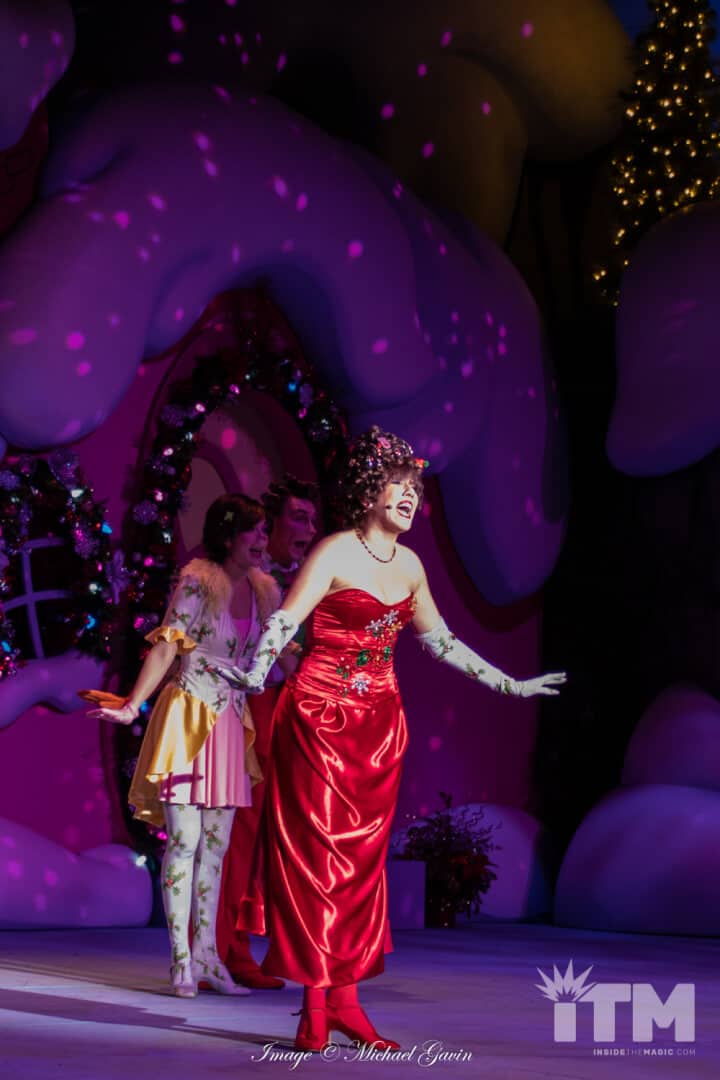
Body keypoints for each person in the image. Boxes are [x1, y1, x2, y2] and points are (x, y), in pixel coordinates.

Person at [217, 427, 567, 1051]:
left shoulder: (410, 566)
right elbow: (286, 619)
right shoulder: (333, 551)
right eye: (398, 485)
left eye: (415, 487)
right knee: (318, 863)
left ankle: (347, 1004)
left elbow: (442, 642)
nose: (410, 496)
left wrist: (510, 684)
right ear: (368, 491)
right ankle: (314, 1007)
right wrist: (254, 669)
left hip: (378, 731)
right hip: (318, 719)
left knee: (360, 868)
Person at [86, 493, 286, 999]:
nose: (263, 540)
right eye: (253, 530)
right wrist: (133, 705)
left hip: (230, 725)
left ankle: (208, 958)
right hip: (189, 719)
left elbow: (280, 660)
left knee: (216, 851)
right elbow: (167, 645)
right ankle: (180, 962)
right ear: (227, 535)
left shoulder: (264, 592)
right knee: (184, 843)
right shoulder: (199, 581)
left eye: (265, 530)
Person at [217, 475, 319, 989]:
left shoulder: (304, 581)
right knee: (240, 829)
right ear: (269, 526)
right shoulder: (251, 581)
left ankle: (249, 946)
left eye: (313, 521)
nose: (309, 530)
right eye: (298, 518)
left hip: (286, 709)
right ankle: (223, 949)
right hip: (250, 706)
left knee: (271, 835)